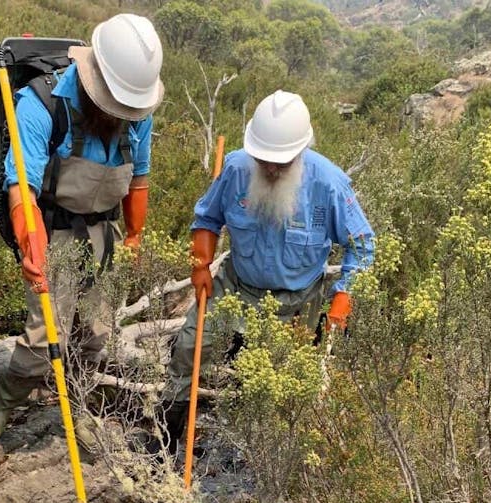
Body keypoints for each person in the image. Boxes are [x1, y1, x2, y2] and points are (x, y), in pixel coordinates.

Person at [0, 13, 164, 446]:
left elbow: (140, 176)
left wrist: (134, 235)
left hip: (105, 234)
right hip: (53, 230)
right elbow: (21, 184)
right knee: (44, 334)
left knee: (97, 332)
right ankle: (5, 405)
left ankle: (76, 405)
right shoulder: (41, 105)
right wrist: (31, 244)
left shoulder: (138, 115)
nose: (124, 113)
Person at [154, 89, 375, 454]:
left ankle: (267, 461)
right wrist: (200, 266)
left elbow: (362, 244)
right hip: (235, 287)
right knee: (188, 349)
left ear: (300, 152)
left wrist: (342, 300)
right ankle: (166, 437)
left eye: (281, 163)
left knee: (280, 387)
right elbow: (207, 218)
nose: (270, 169)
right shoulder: (238, 168)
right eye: (264, 160)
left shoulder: (328, 183)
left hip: (298, 301)